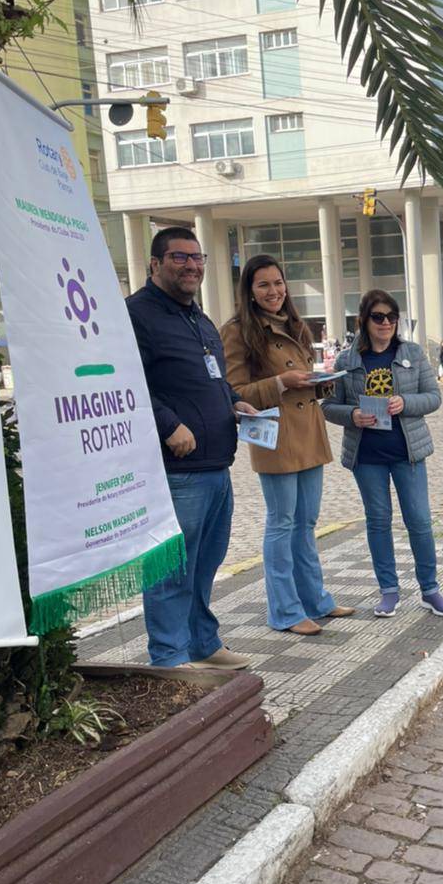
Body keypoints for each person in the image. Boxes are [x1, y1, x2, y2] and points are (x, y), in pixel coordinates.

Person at [126, 227, 258, 671]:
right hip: (176, 467)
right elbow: (128, 383)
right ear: (155, 264)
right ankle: (168, 657)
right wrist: (168, 425)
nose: (191, 265)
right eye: (179, 257)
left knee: (205, 564)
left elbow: (212, 379)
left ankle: (203, 642)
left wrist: (233, 402)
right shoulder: (137, 315)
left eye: (197, 257)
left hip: (216, 464)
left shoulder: (199, 319)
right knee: (171, 569)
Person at [220, 255, 355, 636]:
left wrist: (321, 380)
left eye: (278, 283)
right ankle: (285, 610)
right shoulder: (236, 331)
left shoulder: (295, 324)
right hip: (275, 436)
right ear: (249, 290)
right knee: (282, 523)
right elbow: (233, 391)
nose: (273, 291)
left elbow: (303, 379)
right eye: (263, 285)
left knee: (306, 523)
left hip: (308, 432)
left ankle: (315, 600)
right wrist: (282, 382)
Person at [322, 289, 443, 618]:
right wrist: (351, 414)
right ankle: (389, 591)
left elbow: (433, 397)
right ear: (364, 320)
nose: (385, 323)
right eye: (378, 317)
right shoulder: (347, 361)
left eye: (391, 317)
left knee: (420, 521)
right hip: (366, 456)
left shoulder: (412, 352)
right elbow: (328, 406)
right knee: (378, 522)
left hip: (407, 453)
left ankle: (430, 589)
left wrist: (405, 403)